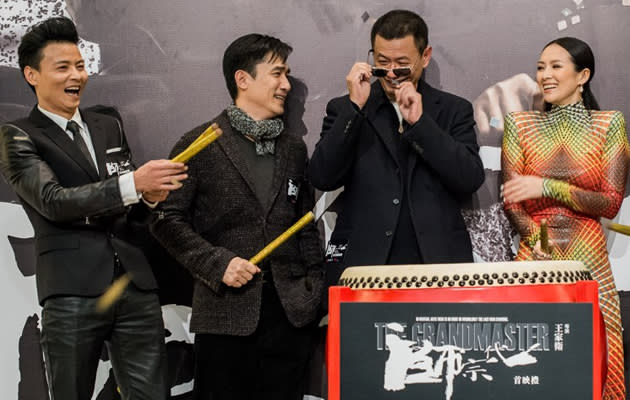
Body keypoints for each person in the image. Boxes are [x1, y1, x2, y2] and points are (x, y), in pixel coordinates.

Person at [0, 17, 188, 399]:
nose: (77, 76)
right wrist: (132, 185)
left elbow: (127, 204)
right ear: (32, 75)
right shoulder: (18, 134)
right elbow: (53, 202)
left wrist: (149, 197)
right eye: (63, 67)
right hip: (71, 290)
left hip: (133, 284)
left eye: (81, 65)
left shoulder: (108, 124)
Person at [150, 33, 324, 399]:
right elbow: (167, 219)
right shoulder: (198, 143)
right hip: (226, 316)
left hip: (291, 316)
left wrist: (313, 290)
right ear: (243, 79)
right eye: (277, 74)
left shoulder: (294, 149)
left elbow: (305, 223)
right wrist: (218, 263)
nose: (286, 84)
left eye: (287, 74)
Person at [307, 9, 484, 286]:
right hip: (363, 265)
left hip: (436, 263)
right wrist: (355, 109)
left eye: (402, 64)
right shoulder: (345, 108)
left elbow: (469, 178)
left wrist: (421, 124)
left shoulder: (453, 109)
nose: (391, 74)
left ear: (424, 57)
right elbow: (322, 175)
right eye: (381, 63)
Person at [502, 36, 628, 399]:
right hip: (534, 253)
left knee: (593, 358)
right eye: (541, 67)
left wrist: (546, 186)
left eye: (556, 66)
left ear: (583, 75)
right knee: (527, 358)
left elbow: (609, 203)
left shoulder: (608, 124)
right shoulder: (520, 124)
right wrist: (540, 244)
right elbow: (512, 201)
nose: (545, 75)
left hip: (588, 256)